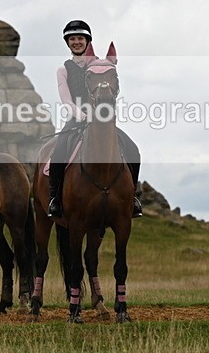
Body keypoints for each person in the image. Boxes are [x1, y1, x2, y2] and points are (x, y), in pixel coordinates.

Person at [48, 20, 143, 218]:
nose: (76, 42)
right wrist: (84, 116)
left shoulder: (102, 65)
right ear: (67, 42)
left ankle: (132, 198)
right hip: (77, 120)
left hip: (103, 122)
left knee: (132, 149)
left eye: (80, 38)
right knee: (58, 152)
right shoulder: (63, 70)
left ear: (87, 41)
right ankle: (55, 199)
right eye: (72, 39)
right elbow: (66, 100)